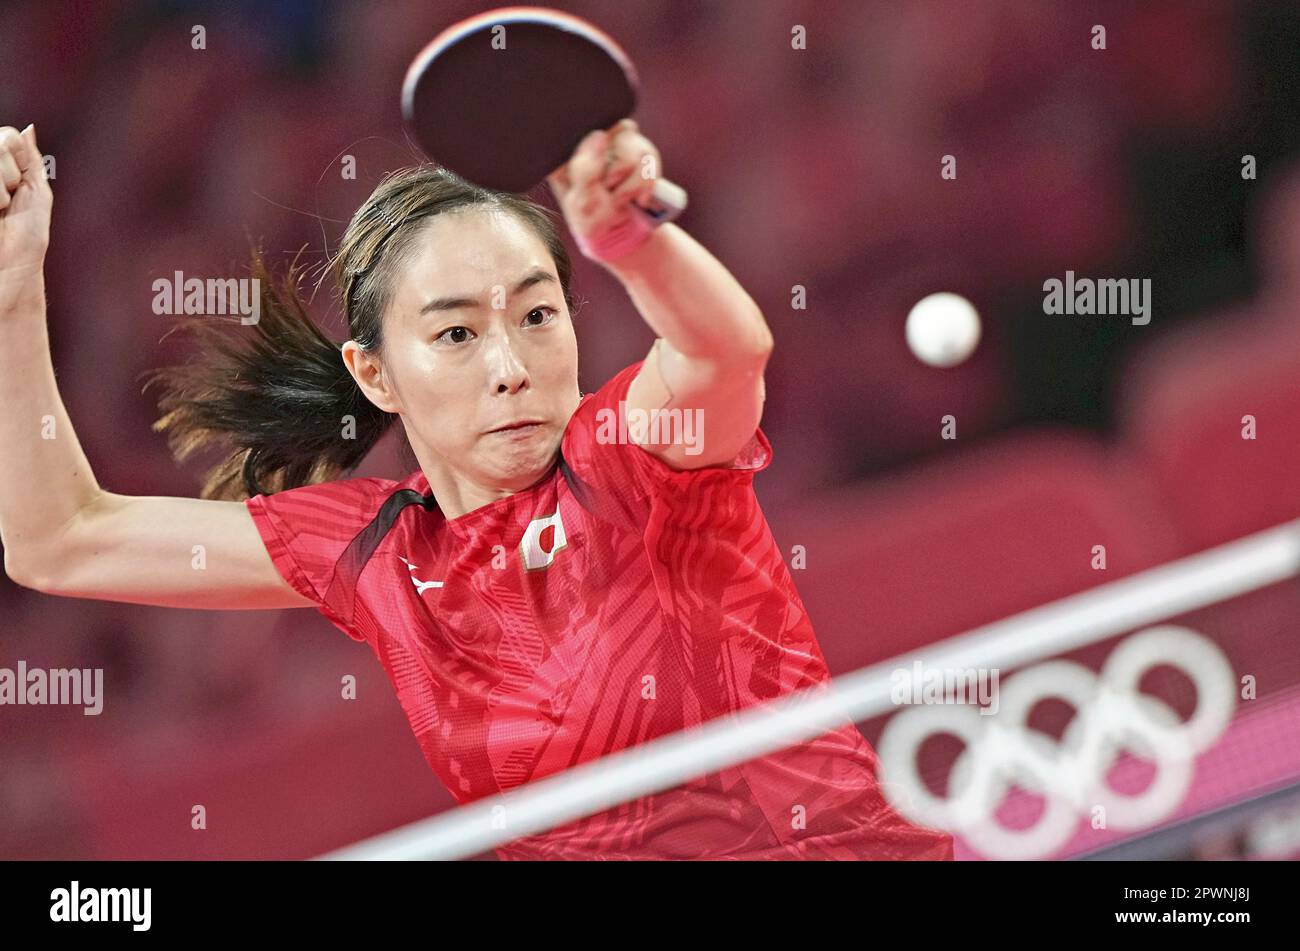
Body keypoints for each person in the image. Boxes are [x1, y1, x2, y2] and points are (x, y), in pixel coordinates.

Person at [0, 119, 953, 860]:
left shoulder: (631, 460)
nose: (510, 367)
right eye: (456, 333)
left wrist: (635, 243)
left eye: (537, 314)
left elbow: (726, 351)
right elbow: (61, 539)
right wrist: (13, 293)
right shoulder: (379, 552)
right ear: (376, 375)